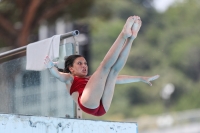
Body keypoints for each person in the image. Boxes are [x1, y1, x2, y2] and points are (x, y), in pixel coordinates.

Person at [44, 16, 159, 116]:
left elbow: (119, 79)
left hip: (101, 108)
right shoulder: (70, 78)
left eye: (85, 63)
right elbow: (57, 75)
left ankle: (131, 39)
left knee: (113, 73)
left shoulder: (91, 80)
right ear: (71, 69)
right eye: (80, 63)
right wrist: (50, 66)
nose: (84, 66)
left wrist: (140, 78)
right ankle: (123, 34)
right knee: (104, 66)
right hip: (87, 104)